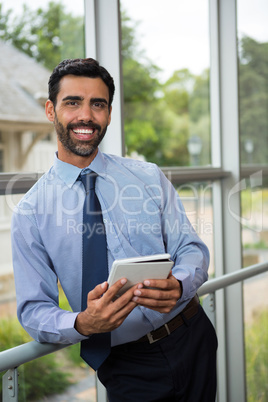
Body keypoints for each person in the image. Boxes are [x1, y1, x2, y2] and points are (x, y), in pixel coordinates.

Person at [11, 58, 217, 401]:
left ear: (108, 112)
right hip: (127, 365)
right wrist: (82, 323)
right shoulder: (31, 213)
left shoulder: (148, 177)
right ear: (51, 110)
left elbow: (191, 248)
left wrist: (179, 284)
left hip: (193, 335)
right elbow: (34, 310)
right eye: (72, 102)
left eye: (98, 104)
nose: (86, 116)